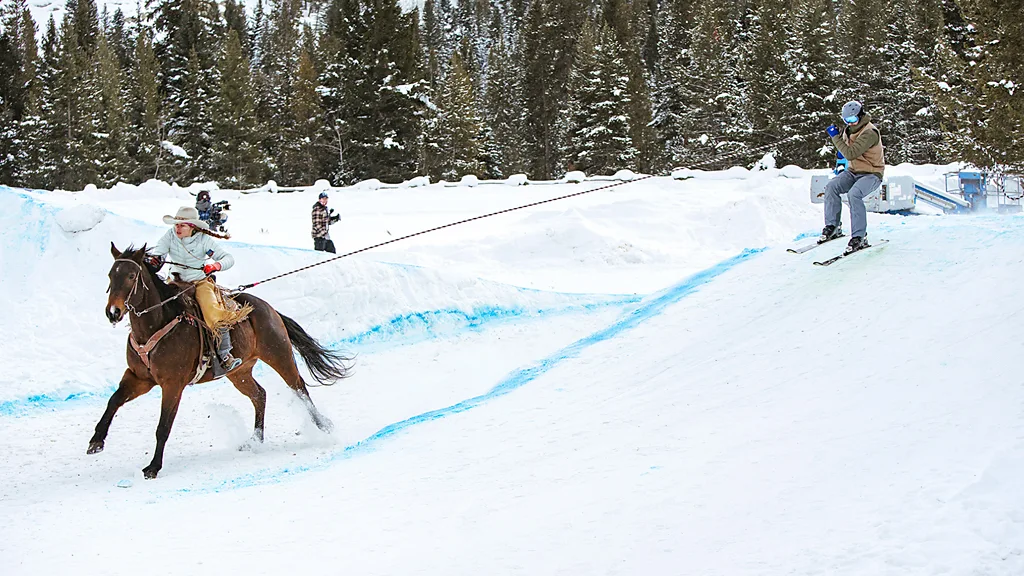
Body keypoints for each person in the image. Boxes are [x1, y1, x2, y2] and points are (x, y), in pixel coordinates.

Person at [151, 206, 249, 372]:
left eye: (182, 225)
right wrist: (155, 260)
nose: (177, 228)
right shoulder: (170, 236)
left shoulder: (204, 240)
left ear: (193, 227)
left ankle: (225, 355)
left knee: (212, 310)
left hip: (199, 283)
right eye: (176, 224)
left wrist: (216, 265)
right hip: (175, 282)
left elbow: (228, 258)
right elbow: (158, 253)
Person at [820, 100, 885, 253]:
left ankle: (859, 236)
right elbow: (845, 150)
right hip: (854, 171)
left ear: (860, 116)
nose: (850, 123)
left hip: (872, 173)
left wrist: (835, 137)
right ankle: (832, 226)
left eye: (852, 120)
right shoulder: (849, 130)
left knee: (854, 194)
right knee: (831, 187)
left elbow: (851, 153)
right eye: (846, 121)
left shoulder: (870, 132)